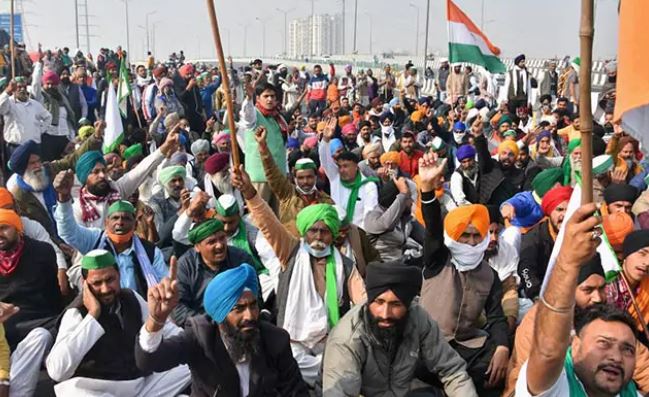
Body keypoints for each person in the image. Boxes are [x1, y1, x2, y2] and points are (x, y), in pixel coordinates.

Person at [232, 167, 365, 386]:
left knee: (342, 367)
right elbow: (267, 223)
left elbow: (362, 300)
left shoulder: (346, 265)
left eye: (324, 231)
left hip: (329, 337)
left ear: (332, 233)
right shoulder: (291, 252)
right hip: (293, 338)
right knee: (300, 371)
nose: (319, 237)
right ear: (304, 232)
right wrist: (249, 193)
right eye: (313, 231)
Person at [517, 203, 642, 397]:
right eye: (603, 344)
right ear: (575, 345)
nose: (616, 357)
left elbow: (644, 365)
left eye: (602, 288)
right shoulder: (538, 323)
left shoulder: (611, 322)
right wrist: (569, 261)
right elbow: (546, 355)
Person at [135, 263, 309, 396]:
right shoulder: (200, 337)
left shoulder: (275, 339)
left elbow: (296, 391)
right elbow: (149, 361)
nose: (249, 316)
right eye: (238, 309)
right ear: (219, 314)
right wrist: (156, 320)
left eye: (253, 306)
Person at [418, 153, 510, 396]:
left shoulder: (489, 274)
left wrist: (502, 347)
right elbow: (434, 230)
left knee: (497, 372)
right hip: (427, 345)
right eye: (464, 236)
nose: (470, 243)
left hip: (467, 346)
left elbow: (496, 317)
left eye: (475, 236)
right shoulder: (438, 258)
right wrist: (427, 190)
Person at [45, 249, 191, 396]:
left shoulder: (130, 297)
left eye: (110, 280)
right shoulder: (75, 313)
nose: (105, 289)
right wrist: (92, 316)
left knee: (191, 362)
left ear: (119, 275)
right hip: (96, 388)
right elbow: (57, 372)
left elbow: (169, 331)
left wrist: (198, 340)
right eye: (97, 283)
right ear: (85, 284)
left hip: (140, 384)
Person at [322, 261, 478, 396]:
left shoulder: (418, 318)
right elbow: (340, 392)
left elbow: (452, 371)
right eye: (379, 302)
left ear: (408, 304)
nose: (385, 314)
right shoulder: (347, 338)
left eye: (396, 304)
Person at [54, 171, 168, 297]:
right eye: (115, 218)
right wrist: (63, 199)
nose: (120, 222)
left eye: (126, 219)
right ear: (107, 223)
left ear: (135, 225)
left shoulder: (150, 251)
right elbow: (68, 231)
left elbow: (163, 283)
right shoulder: (95, 241)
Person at [0, 209, 62, 397]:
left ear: (18, 228)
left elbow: (54, 296)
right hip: (5, 323)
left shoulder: (42, 252)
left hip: (41, 321)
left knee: (40, 336)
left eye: (3, 228)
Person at [70, 128, 178, 228]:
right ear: (84, 177)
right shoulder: (78, 209)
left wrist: (166, 146)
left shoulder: (116, 190)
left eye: (103, 170)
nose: (102, 175)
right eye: (96, 172)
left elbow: (141, 170)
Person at [171, 218, 256, 327]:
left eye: (222, 238)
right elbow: (178, 309)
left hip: (240, 324)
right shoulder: (185, 266)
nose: (220, 245)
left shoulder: (242, 260)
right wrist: (209, 325)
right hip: (201, 329)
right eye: (212, 242)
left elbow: (255, 297)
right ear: (197, 247)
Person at [255, 126, 334, 234]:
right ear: (294, 178)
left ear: (316, 177)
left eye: (309, 177)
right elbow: (271, 172)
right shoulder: (287, 194)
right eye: (301, 178)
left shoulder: (326, 201)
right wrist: (263, 147)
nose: (305, 181)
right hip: (293, 247)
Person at [319, 117, 379, 229]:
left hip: (359, 233)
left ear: (356, 167)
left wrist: (356, 235)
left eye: (346, 166)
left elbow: (369, 215)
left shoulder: (368, 186)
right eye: (340, 166)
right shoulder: (335, 178)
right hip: (336, 231)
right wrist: (326, 139)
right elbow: (324, 159)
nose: (341, 170)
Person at [239, 82, 288, 211]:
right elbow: (246, 114)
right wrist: (249, 98)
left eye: (272, 96)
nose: (270, 99)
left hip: (279, 176)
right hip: (260, 177)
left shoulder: (277, 118)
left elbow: (281, 147)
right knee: (260, 216)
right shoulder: (254, 115)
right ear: (258, 98)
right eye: (266, 96)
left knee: (279, 218)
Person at [518, 185, 572, 300]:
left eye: (569, 210)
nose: (565, 215)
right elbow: (526, 269)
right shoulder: (533, 237)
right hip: (539, 291)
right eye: (560, 210)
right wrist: (536, 296)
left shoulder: (579, 234)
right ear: (549, 212)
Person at [364, 177, 423, 263]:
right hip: (378, 269)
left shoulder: (406, 219)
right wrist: (403, 195)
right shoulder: (373, 216)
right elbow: (385, 225)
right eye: (409, 197)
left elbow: (426, 238)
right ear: (396, 197)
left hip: (399, 267)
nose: (411, 202)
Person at [606, 230, 649, 339]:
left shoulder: (646, 288)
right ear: (626, 254)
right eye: (642, 254)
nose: (647, 262)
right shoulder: (608, 287)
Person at [0, 78, 52, 151]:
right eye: (19, 87)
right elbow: (1, 109)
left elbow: (48, 117)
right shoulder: (9, 103)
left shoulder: (35, 104)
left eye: (24, 87)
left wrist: (40, 130)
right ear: (13, 88)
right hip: (15, 147)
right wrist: (7, 91)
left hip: (33, 146)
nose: (22, 89)